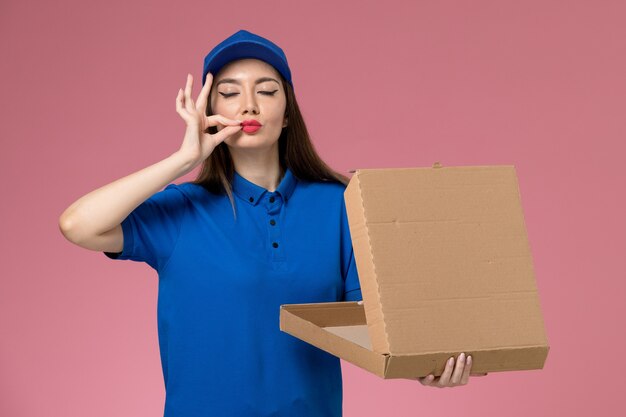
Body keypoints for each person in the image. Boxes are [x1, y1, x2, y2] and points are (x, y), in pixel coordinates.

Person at [59, 29, 483, 417]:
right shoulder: (181, 210)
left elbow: (369, 327)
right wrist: (184, 160)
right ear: (210, 113)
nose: (249, 104)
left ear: (287, 114)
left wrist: (425, 364)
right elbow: (78, 224)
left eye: (266, 90)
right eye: (229, 93)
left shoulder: (340, 204)